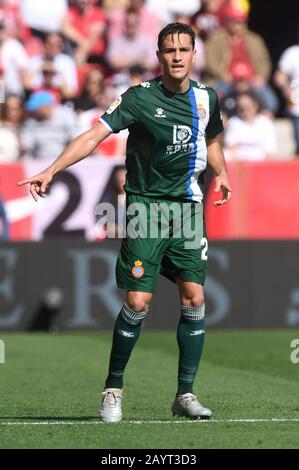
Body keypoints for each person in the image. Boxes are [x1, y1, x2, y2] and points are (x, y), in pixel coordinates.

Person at [18, 22, 231, 422]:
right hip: (145, 208)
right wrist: (51, 170)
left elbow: (212, 140)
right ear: (159, 56)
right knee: (137, 301)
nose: (177, 56)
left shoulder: (208, 98)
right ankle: (113, 388)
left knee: (195, 298)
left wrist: (222, 173)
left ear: (194, 54)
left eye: (184, 49)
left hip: (186, 210)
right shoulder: (137, 98)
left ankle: (185, 394)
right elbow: (93, 135)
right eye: (170, 50)